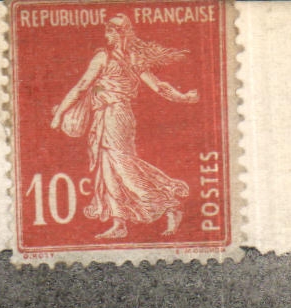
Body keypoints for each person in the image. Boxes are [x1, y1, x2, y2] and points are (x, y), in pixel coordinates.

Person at [50, 15, 200, 239]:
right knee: (108, 168)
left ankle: (170, 204)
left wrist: (60, 113)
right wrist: (183, 98)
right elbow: (159, 87)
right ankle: (119, 223)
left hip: (116, 116)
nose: (106, 36)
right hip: (107, 116)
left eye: (110, 32)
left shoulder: (108, 57)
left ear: (119, 33)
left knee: (123, 166)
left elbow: (82, 86)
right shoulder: (130, 58)